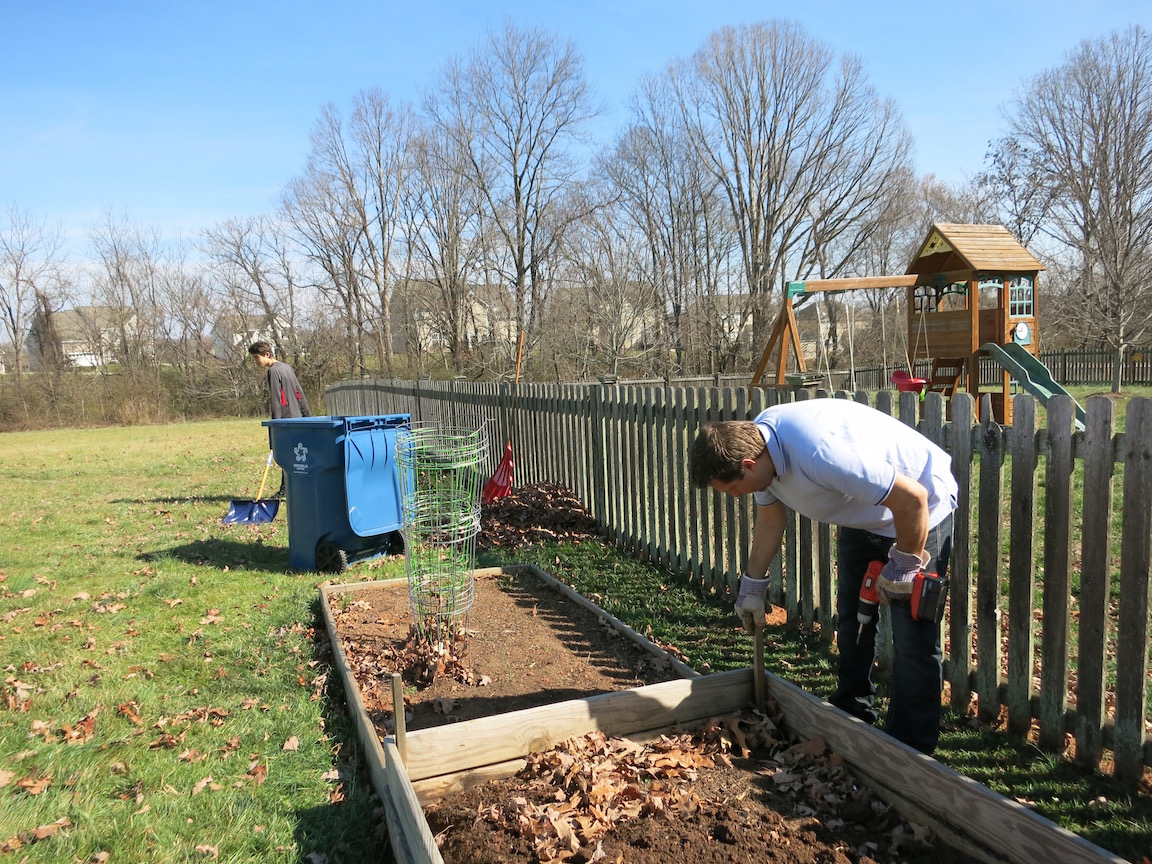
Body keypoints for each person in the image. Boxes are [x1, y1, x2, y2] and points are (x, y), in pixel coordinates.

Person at [689, 398, 957, 755]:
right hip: (864, 516)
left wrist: (904, 565)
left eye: (734, 489)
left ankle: (912, 752)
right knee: (852, 619)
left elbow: (913, 499)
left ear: (749, 465)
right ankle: (852, 712)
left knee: (911, 640)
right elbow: (770, 519)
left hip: (919, 514)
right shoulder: (762, 448)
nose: (737, 496)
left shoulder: (819, 453)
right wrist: (752, 586)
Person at [248, 341, 311, 497]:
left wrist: (275, 427)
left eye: (257, 358)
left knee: (287, 457)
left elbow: (277, 401)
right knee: (297, 457)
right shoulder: (287, 367)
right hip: (297, 418)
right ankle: (292, 488)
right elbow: (300, 393)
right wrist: (307, 416)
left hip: (286, 420)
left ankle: (285, 490)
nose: (256, 362)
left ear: (267, 355)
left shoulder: (274, 372)